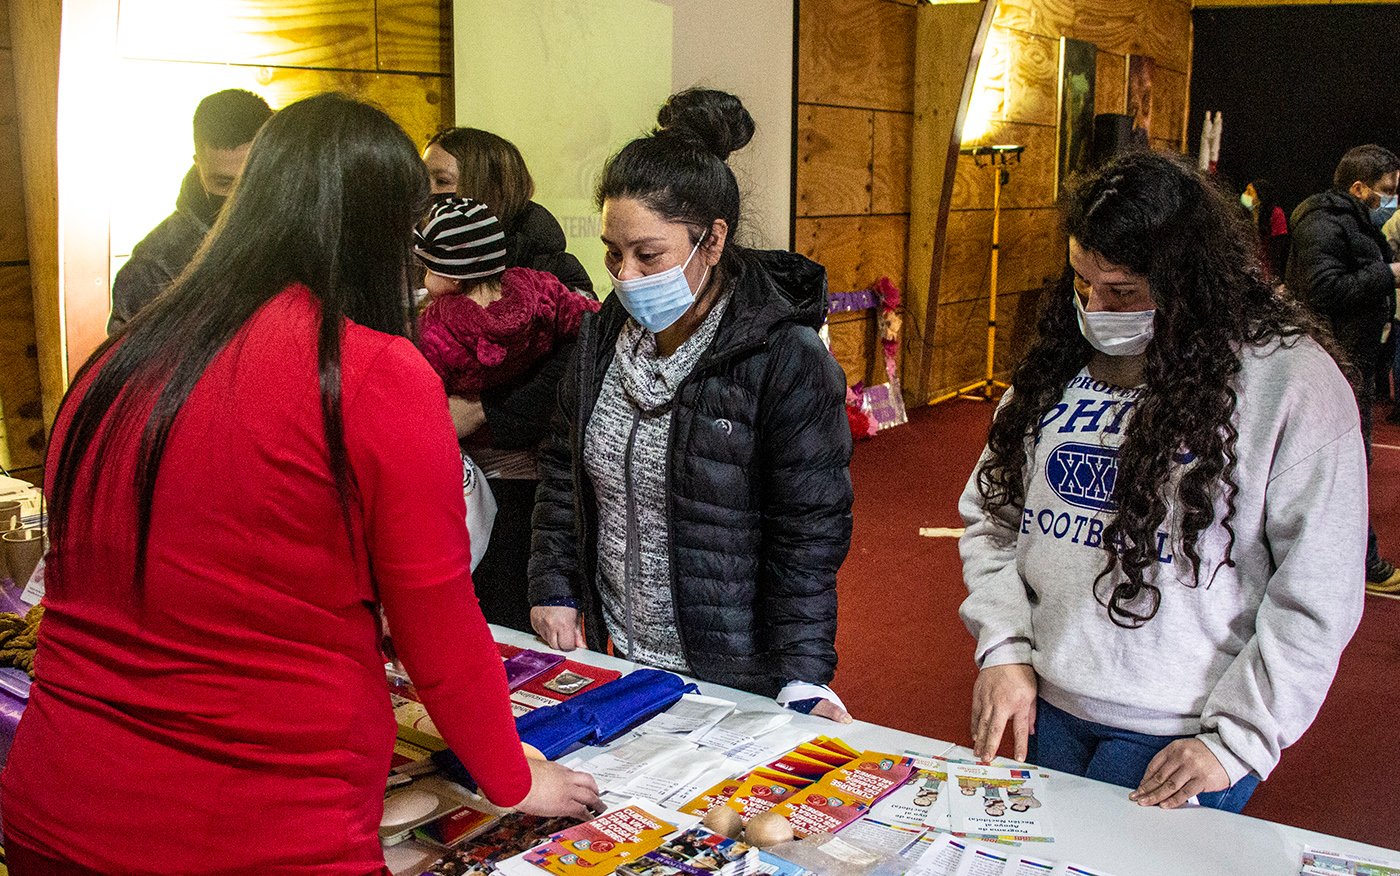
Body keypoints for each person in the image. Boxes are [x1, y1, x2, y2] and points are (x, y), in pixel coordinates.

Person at [0, 93, 600, 875]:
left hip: (56, 802)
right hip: (252, 827)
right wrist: (515, 778)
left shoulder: (119, 359)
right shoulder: (372, 372)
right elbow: (439, 628)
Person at [961, 152, 1365, 814]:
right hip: (1048, 698)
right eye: (1082, 283)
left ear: (1189, 281)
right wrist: (1003, 648)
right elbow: (993, 519)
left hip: (1183, 726)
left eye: (1123, 293)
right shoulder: (1059, 362)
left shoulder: (1288, 381)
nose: (1096, 309)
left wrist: (1238, 741)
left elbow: (1318, 589)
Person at [528, 89, 854, 721]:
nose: (625, 276)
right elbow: (564, 474)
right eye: (613, 253)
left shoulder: (784, 356)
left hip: (735, 669)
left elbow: (808, 532)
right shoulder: (603, 335)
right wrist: (556, 585)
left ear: (712, 240)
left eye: (648, 255)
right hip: (622, 652)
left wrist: (804, 674)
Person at [414, 197, 600, 629]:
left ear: (451, 275)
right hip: (537, 468)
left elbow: (422, 395)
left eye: (428, 268)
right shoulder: (538, 289)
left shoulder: (439, 329)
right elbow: (588, 320)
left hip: (476, 474)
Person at [1285, 144, 1400, 593]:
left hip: (1353, 362)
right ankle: (1362, 564)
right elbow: (1323, 289)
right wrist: (1389, 274)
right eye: (1386, 190)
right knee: (1346, 466)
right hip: (1335, 365)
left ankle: (1352, 560)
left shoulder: (1351, 221)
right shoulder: (1323, 222)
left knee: (1347, 466)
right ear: (1358, 187)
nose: (1391, 198)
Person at [107, 88, 272, 334]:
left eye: (252, 178)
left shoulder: (306, 237)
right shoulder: (153, 270)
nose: (240, 197)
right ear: (199, 164)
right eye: (224, 183)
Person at [424, 126, 593, 294]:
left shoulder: (553, 274)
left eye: (442, 181)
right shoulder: (422, 255)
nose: (424, 191)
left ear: (490, 191)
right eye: (422, 179)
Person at [1240, 178, 1288, 282]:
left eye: (1249, 192)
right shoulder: (1245, 215)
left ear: (1261, 196)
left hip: (1269, 270)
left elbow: (1279, 249)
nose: (1244, 194)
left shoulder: (1276, 213)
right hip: (1250, 266)